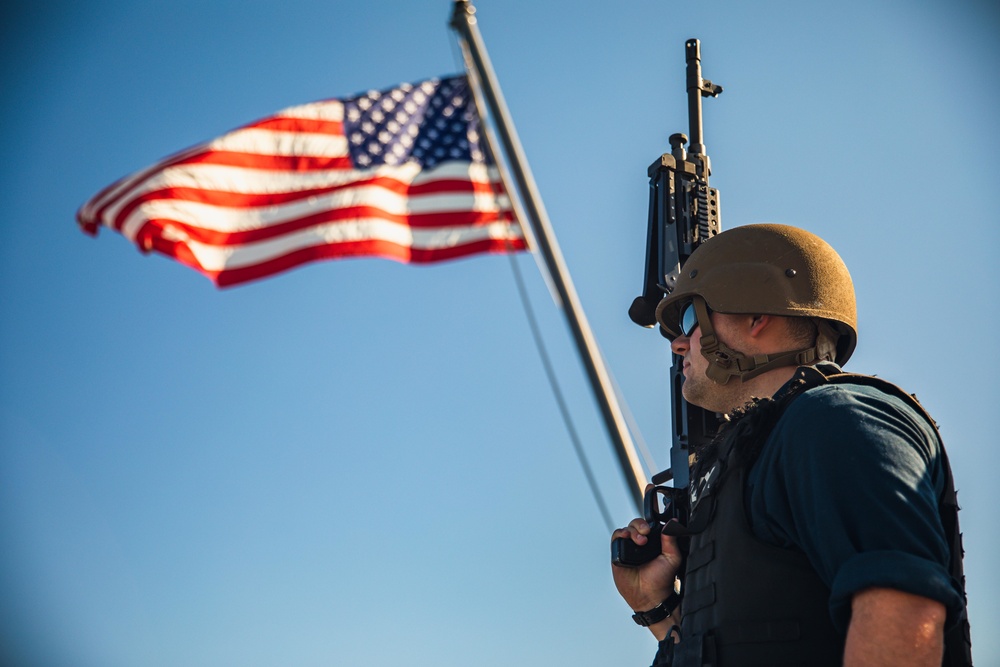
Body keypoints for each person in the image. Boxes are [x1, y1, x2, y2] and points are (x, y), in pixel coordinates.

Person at [610, 224, 971, 666]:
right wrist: (659, 609)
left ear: (756, 317)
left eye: (690, 318)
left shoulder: (833, 420)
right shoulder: (752, 453)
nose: (679, 343)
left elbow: (904, 610)